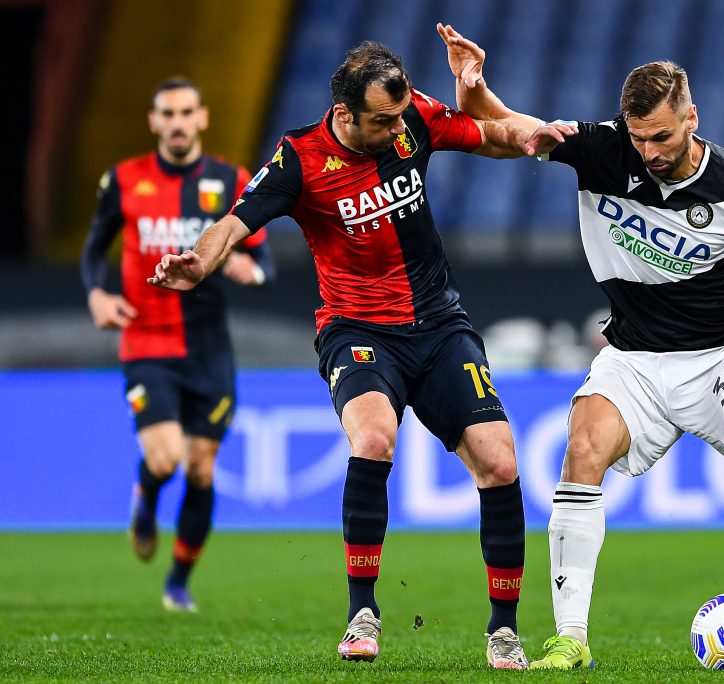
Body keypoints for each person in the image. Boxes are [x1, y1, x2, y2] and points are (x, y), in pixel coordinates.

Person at [437, 24, 724, 668]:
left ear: (692, 117)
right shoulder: (602, 150)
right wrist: (473, 86)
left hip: (719, 354)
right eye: (639, 138)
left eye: (662, 136)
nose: (650, 151)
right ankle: (570, 640)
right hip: (632, 359)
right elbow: (499, 125)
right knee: (581, 450)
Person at [147, 42, 573, 669]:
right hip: (357, 329)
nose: (399, 131)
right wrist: (199, 263)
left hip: (439, 323)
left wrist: (539, 135)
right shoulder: (300, 158)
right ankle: (362, 613)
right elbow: (235, 223)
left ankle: (504, 630)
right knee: (373, 440)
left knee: (501, 462)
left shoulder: (411, 119)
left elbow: (489, 134)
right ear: (344, 114)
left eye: (402, 119)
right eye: (383, 121)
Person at [81, 77, 275, 613]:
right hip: (146, 339)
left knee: (202, 469)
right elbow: (94, 250)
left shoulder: (228, 180)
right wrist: (98, 294)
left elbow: (266, 260)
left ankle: (178, 582)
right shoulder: (123, 181)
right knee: (165, 460)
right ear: (154, 121)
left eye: (187, 112)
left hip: (209, 348)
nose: (178, 123)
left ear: (203, 118)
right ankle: (145, 497)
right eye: (168, 113)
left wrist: (247, 270)